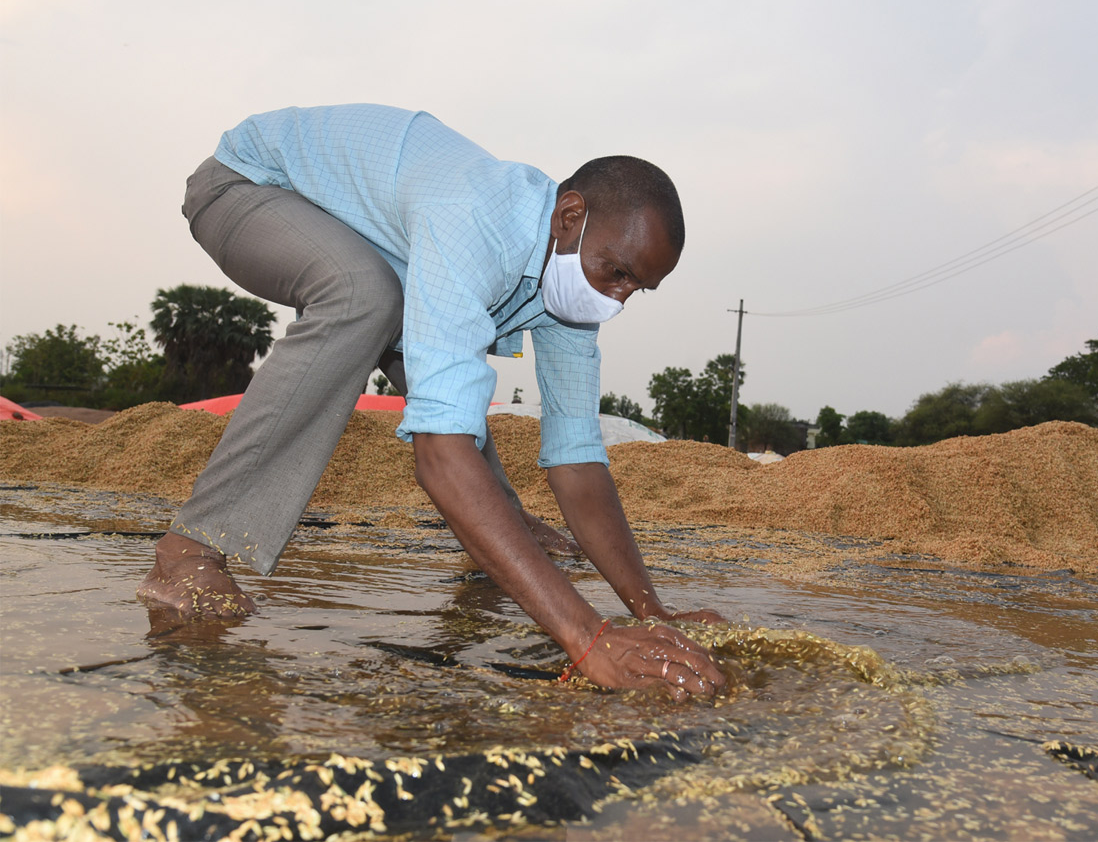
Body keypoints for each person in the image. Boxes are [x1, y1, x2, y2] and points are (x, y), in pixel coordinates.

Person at [137, 105, 725, 701]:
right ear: (569, 216)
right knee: (364, 297)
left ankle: (496, 521)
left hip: (371, 239)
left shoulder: (574, 286)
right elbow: (439, 456)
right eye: (617, 272)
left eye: (636, 289)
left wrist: (654, 615)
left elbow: (576, 459)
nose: (617, 299)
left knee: (428, 344)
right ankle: (189, 551)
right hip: (244, 187)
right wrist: (586, 637)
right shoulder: (474, 223)